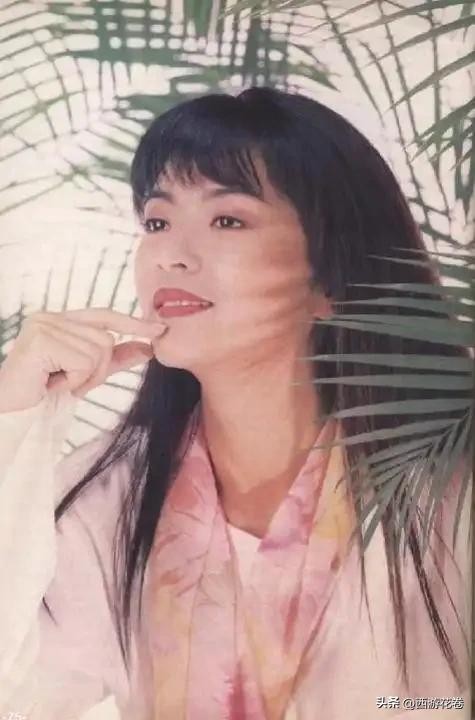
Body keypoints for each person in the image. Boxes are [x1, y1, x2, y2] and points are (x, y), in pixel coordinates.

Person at [0, 86, 471, 720]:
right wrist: (13, 414)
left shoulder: (446, 487)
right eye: (157, 222)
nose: (170, 254)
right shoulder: (110, 496)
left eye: (227, 220)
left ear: (329, 280)